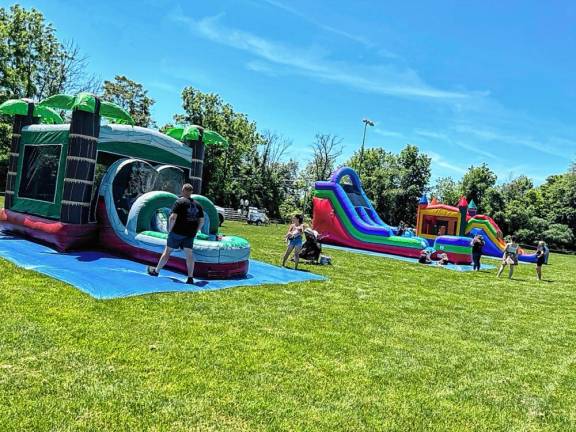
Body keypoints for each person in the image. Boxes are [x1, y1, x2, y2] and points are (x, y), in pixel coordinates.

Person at [147, 184, 204, 284]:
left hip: (177, 232)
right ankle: (190, 278)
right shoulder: (198, 205)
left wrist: (169, 229)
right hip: (190, 234)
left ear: (183, 191)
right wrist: (195, 231)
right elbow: (202, 221)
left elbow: (173, 217)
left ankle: (156, 271)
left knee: (167, 251)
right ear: (191, 192)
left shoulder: (179, 202)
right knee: (189, 254)